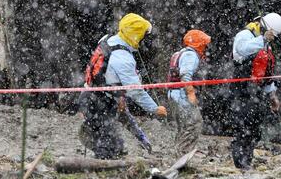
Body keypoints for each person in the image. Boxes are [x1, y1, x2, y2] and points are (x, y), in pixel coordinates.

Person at [78, 13, 166, 160]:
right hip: (98, 103)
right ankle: (102, 169)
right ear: (136, 36)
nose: (144, 39)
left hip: (92, 96)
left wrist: (120, 98)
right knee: (109, 146)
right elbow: (136, 91)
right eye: (143, 35)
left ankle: (107, 146)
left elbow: (108, 77)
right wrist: (154, 109)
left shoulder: (107, 40)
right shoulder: (123, 58)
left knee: (112, 139)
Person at [230, 14, 281, 170]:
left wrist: (272, 95)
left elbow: (267, 72)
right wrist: (263, 40)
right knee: (243, 128)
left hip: (258, 92)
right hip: (242, 90)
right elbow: (241, 50)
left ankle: (248, 160)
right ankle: (241, 163)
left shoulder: (267, 43)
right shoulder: (245, 35)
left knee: (254, 129)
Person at [167, 29, 211, 150]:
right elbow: (185, 75)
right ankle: (182, 153)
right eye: (204, 44)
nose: (206, 47)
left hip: (174, 93)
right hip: (182, 94)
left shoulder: (179, 53)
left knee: (183, 126)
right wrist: (191, 94)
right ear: (199, 43)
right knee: (194, 124)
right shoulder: (191, 55)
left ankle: (177, 152)